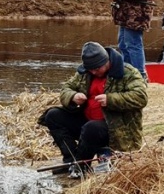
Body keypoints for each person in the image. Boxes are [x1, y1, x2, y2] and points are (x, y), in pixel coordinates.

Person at [38, 41, 148, 178]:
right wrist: (73, 96)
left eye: (97, 69)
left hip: (117, 129)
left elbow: (141, 97)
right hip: (87, 122)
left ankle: (81, 166)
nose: (94, 72)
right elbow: (66, 89)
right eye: (91, 70)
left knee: (92, 128)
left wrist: (111, 99)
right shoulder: (86, 72)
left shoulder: (129, 73)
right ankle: (70, 160)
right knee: (52, 115)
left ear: (107, 61)